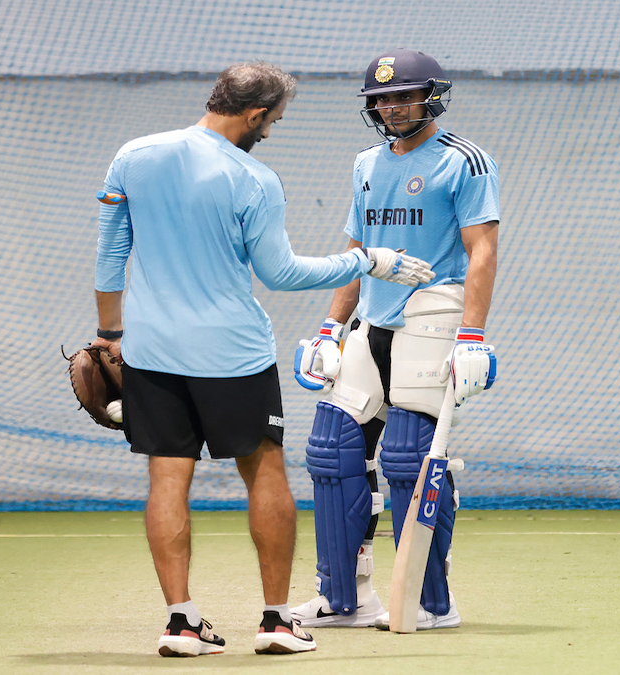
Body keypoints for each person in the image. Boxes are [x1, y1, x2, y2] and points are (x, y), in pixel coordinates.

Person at [89, 61, 434, 657]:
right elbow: (281, 273)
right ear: (253, 114)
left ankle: (181, 622)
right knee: (266, 472)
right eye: (272, 121)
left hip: (150, 350)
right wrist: (366, 260)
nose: (271, 131)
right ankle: (276, 620)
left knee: (168, 477)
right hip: (232, 355)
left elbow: (110, 253)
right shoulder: (253, 178)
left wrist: (108, 332)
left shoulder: (134, 155)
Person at [290, 48, 500, 631]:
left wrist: (473, 334)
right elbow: (359, 258)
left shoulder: (465, 160)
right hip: (371, 323)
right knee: (330, 453)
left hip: (433, 315)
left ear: (432, 95)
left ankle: (431, 603)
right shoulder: (365, 163)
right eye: (380, 99)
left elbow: (482, 250)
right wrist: (331, 329)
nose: (390, 107)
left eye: (402, 95)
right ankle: (343, 599)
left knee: (410, 458)